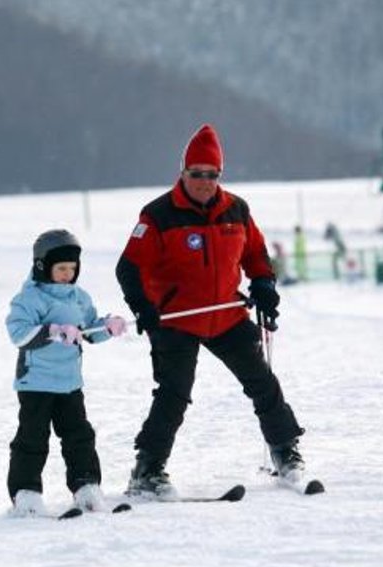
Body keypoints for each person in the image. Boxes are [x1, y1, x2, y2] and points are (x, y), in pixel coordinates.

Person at [115, 123, 308, 499]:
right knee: (174, 393)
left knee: (262, 383)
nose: (204, 181)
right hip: (176, 320)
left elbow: (255, 252)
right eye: (197, 174)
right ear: (183, 172)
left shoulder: (236, 209)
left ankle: (285, 452)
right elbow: (129, 267)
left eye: (212, 174)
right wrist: (143, 307)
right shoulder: (158, 215)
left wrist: (264, 285)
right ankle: (147, 470)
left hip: (226, 314)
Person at [5, 229, 128, 516]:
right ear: (42, 266)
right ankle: (26, 495)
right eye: (60, 268)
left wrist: (108, 326)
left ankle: (86, 487)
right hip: (36, 382)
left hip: (70, 382)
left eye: (72, 268)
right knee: (33, 438)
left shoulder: (79, 297)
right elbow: (18, 333)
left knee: (79, 435)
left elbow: (90, 331)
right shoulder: (29, 298)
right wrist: (54, 332)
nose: (67, 274)